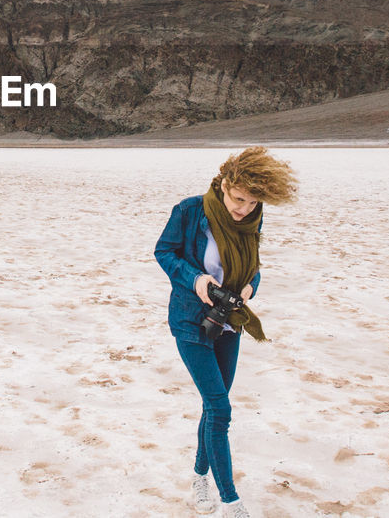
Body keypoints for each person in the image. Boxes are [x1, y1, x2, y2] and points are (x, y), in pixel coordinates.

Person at [154, 146, 298, 518]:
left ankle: (200, 475)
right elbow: (164, 252)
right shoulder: (190, 210)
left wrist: (250, 288)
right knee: (221, 408)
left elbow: (254, 267)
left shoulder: (253, 218)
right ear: (224, 184)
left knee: (212, 408)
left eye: (252, 202)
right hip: (190, 321)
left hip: (230, 321)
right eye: (238, 199)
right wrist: (197, 279)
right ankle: (231, 500)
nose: (243, 209)